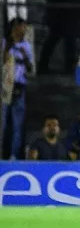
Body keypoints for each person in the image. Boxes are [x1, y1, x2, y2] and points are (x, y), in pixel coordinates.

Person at [1, 18, 32, 159]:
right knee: (3, 123)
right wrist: (9, 46)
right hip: (5, 86)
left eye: (24, 28)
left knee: (17, 125)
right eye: (20, 27)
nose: (22, 30)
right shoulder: (4, 43)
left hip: (20, 87)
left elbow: (31, 68)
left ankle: (14, 154)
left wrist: (24, 56)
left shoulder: (27, 45)